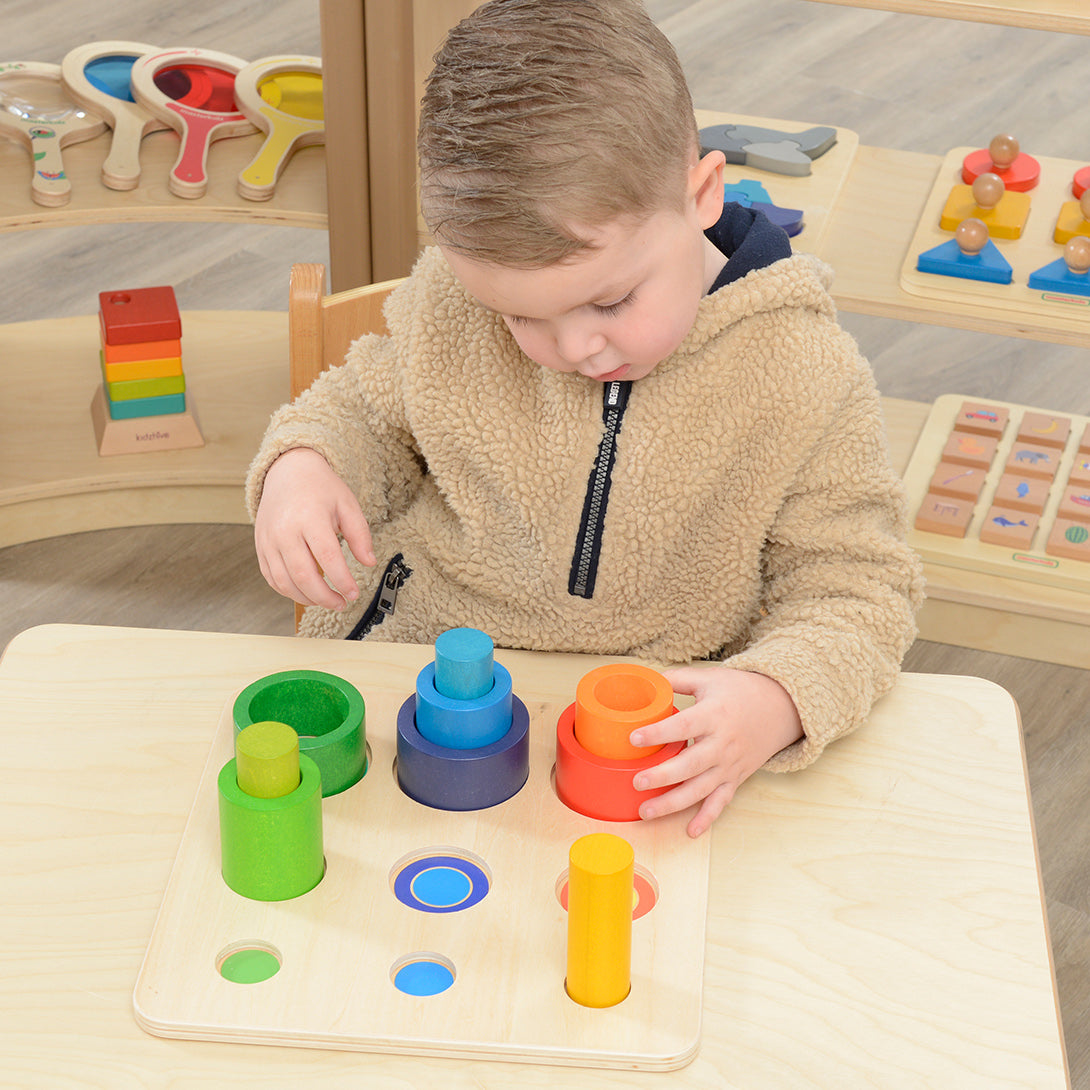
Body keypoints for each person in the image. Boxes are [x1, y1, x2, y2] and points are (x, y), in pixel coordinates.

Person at [248, 0, 924, 837]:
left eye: (609, 300)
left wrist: (777, 698)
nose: (568, 348)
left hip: (652, 745)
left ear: (703, 193)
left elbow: (859, 591)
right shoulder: (453, 300)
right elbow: (359, 409)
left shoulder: (807, 376)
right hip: (420, 690)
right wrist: (304, 465)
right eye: (519, 317)